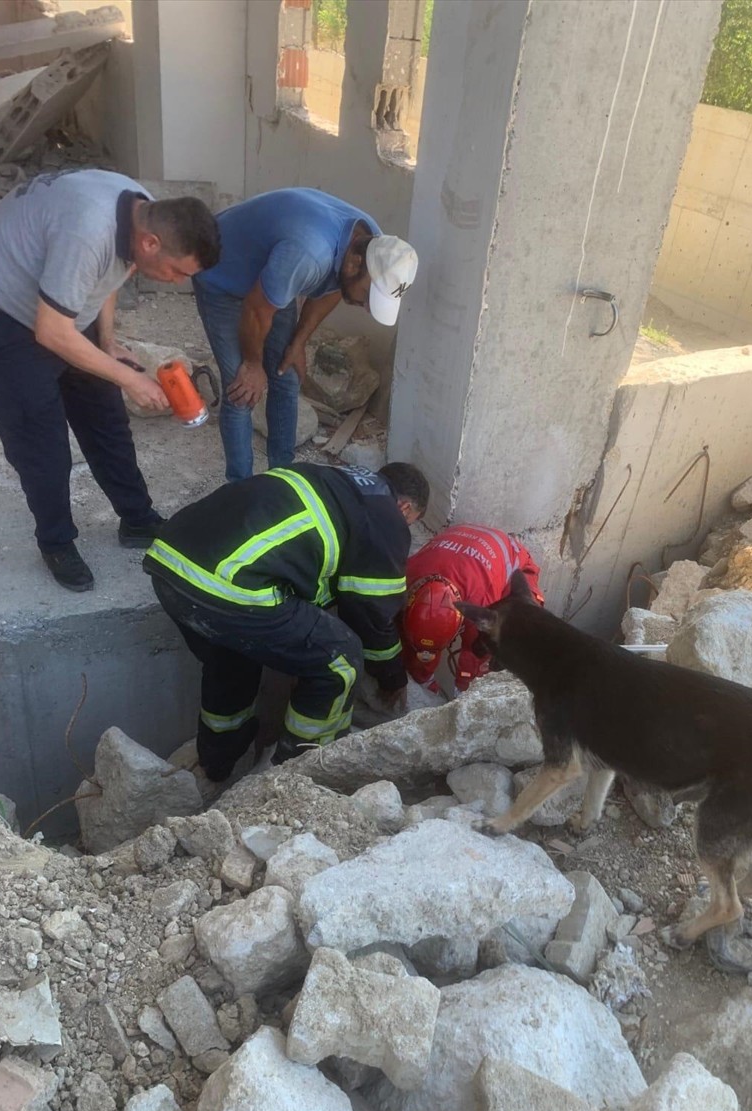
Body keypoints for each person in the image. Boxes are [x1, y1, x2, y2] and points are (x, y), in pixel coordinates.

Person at [0, 169, 220, 592]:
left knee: (106, 419)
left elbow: (108, 274)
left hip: (57, 306)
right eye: (176, 271)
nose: (178, 282)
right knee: (42, 444)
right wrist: (132, 382)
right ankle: (57, 542)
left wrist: (108, 343)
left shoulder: (141, 210)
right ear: (152, 243)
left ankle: (137, 519)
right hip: (3, 312)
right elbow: (51, 332)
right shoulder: (88, 230)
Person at [144, 461, 429, 781]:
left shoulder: (332, 476)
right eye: (411, 522)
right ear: (404, 507)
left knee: (232, 661)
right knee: (339, 658)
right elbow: (372, 614)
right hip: (229, 586)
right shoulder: (386, 516)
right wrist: (392, 677)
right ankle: (300, 776)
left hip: (170, 565)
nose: (406, 529)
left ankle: (216, 763)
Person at [191, 188, 418, 483]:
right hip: (221, 272)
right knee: (241, 390)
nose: (365, 307)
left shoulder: (372, 242)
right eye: (366, 297)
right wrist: (252, 364)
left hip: (270, 277)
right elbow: (256, 310)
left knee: (286, 376)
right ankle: (241, 490)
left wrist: (299, 342)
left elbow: (336, 287)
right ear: (354, 264)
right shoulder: (309, 253)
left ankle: (283, 478)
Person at [400, 525, 543, 694]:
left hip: (514, 563)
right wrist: (424, 680)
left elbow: (473, 654)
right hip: (465, 540)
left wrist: (463, 690)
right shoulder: (408, 573)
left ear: (461, 618)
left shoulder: (480, 602)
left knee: (516, 625)